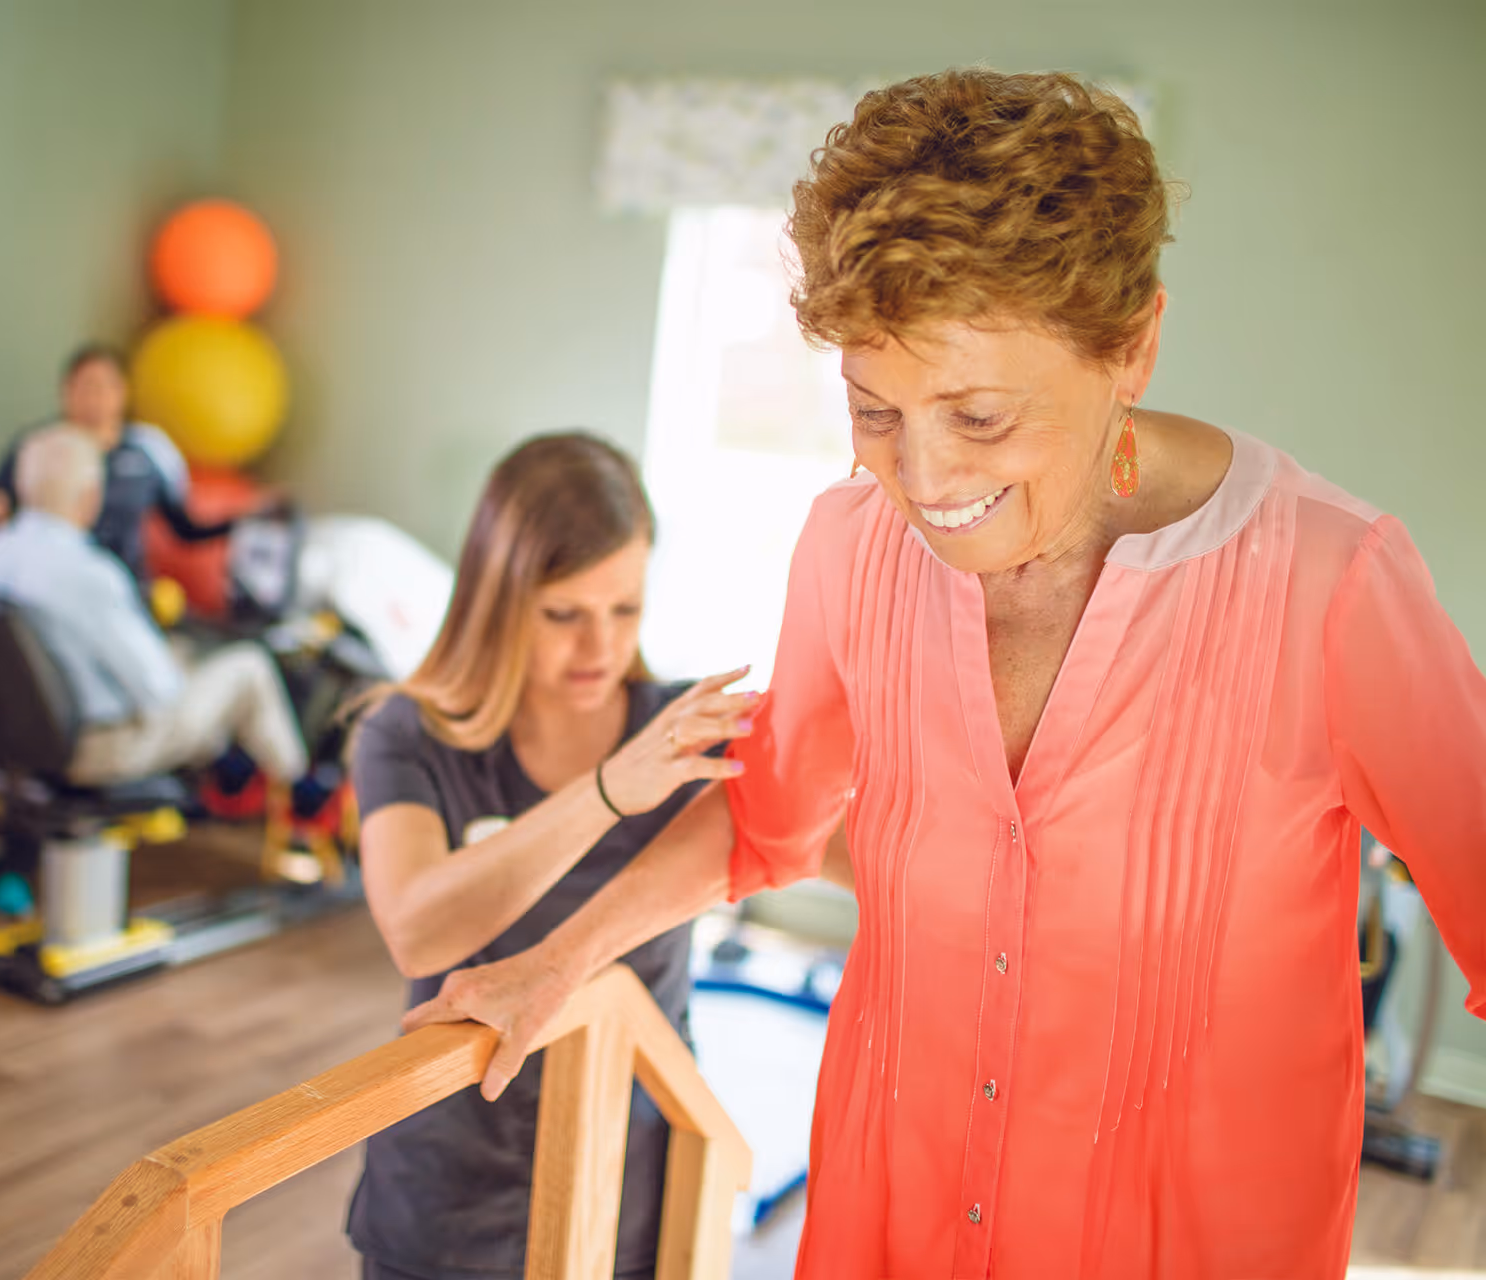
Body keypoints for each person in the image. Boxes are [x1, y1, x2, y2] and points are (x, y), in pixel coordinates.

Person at [403, 70, 1486, 1279]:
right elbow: (764, 824)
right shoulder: (847, 545)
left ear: (1131, 346)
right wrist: (555, 959)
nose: (919, 477)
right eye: (874, 409)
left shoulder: (1328, 581)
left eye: (976, 416)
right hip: (894, 1226)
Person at [344, 432, 755, 1280]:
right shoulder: (405, 734)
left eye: (625, 610)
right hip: (449, 1194)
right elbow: (418, 930)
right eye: (564, 614)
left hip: (636, 1181)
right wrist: (609, 790)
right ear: (498, 601)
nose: (598, 647)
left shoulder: (689, 730)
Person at [0, 424, 307, 792]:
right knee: (249, 667)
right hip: (97, 750)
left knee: (180, 656)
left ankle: (226, 767)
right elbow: (159, 690)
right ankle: (304, 798)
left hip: (15, 744)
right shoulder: (89, 572)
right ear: (91, 496)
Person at [0, 342, 240, 582]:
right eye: (84, 387)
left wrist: (244, 520)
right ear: (66, 391)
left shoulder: (148, 450)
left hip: (121, 589)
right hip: (54, 587)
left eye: (103, 387)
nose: (93, 399)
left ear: (122, 392)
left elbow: (185, 528)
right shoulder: (38, 448)